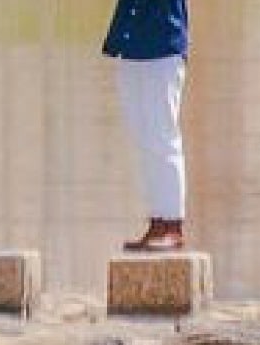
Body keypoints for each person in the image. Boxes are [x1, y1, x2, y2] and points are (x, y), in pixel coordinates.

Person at [104, 0, 189, 252]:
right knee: (143, 139)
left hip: (163, 45)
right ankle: (157, 220)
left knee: (163, 138)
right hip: (130, 44)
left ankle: (173, 224)